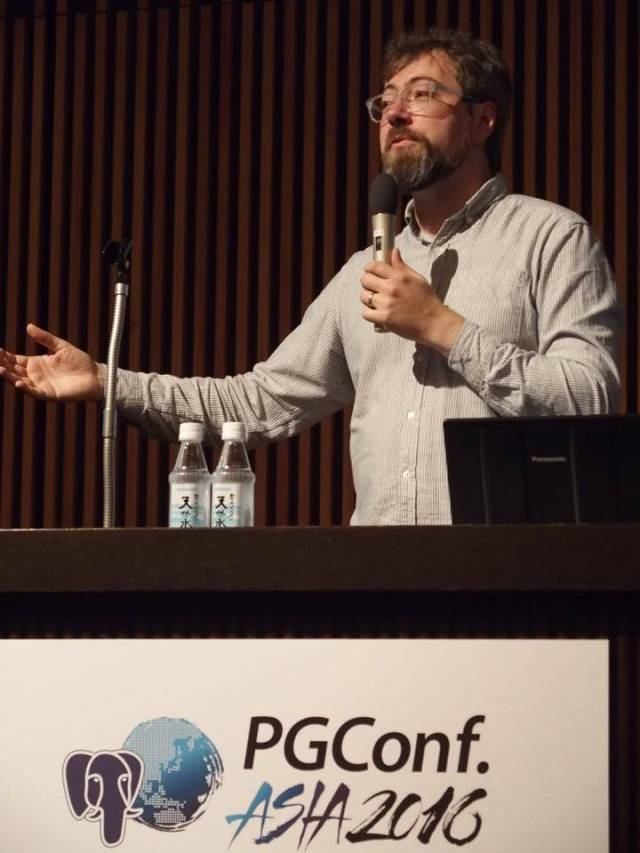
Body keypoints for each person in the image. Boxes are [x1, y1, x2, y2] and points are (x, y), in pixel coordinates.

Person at [0, 29, 621, 525]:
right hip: (381, 585)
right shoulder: (364, 271)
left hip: (510, 584)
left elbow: (591, 399)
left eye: (422, 94)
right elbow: (256, 403)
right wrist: (107, 381)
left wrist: (441, 327)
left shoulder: (550, 236)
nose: (395, 114)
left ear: (483, 120)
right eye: (385, 100)